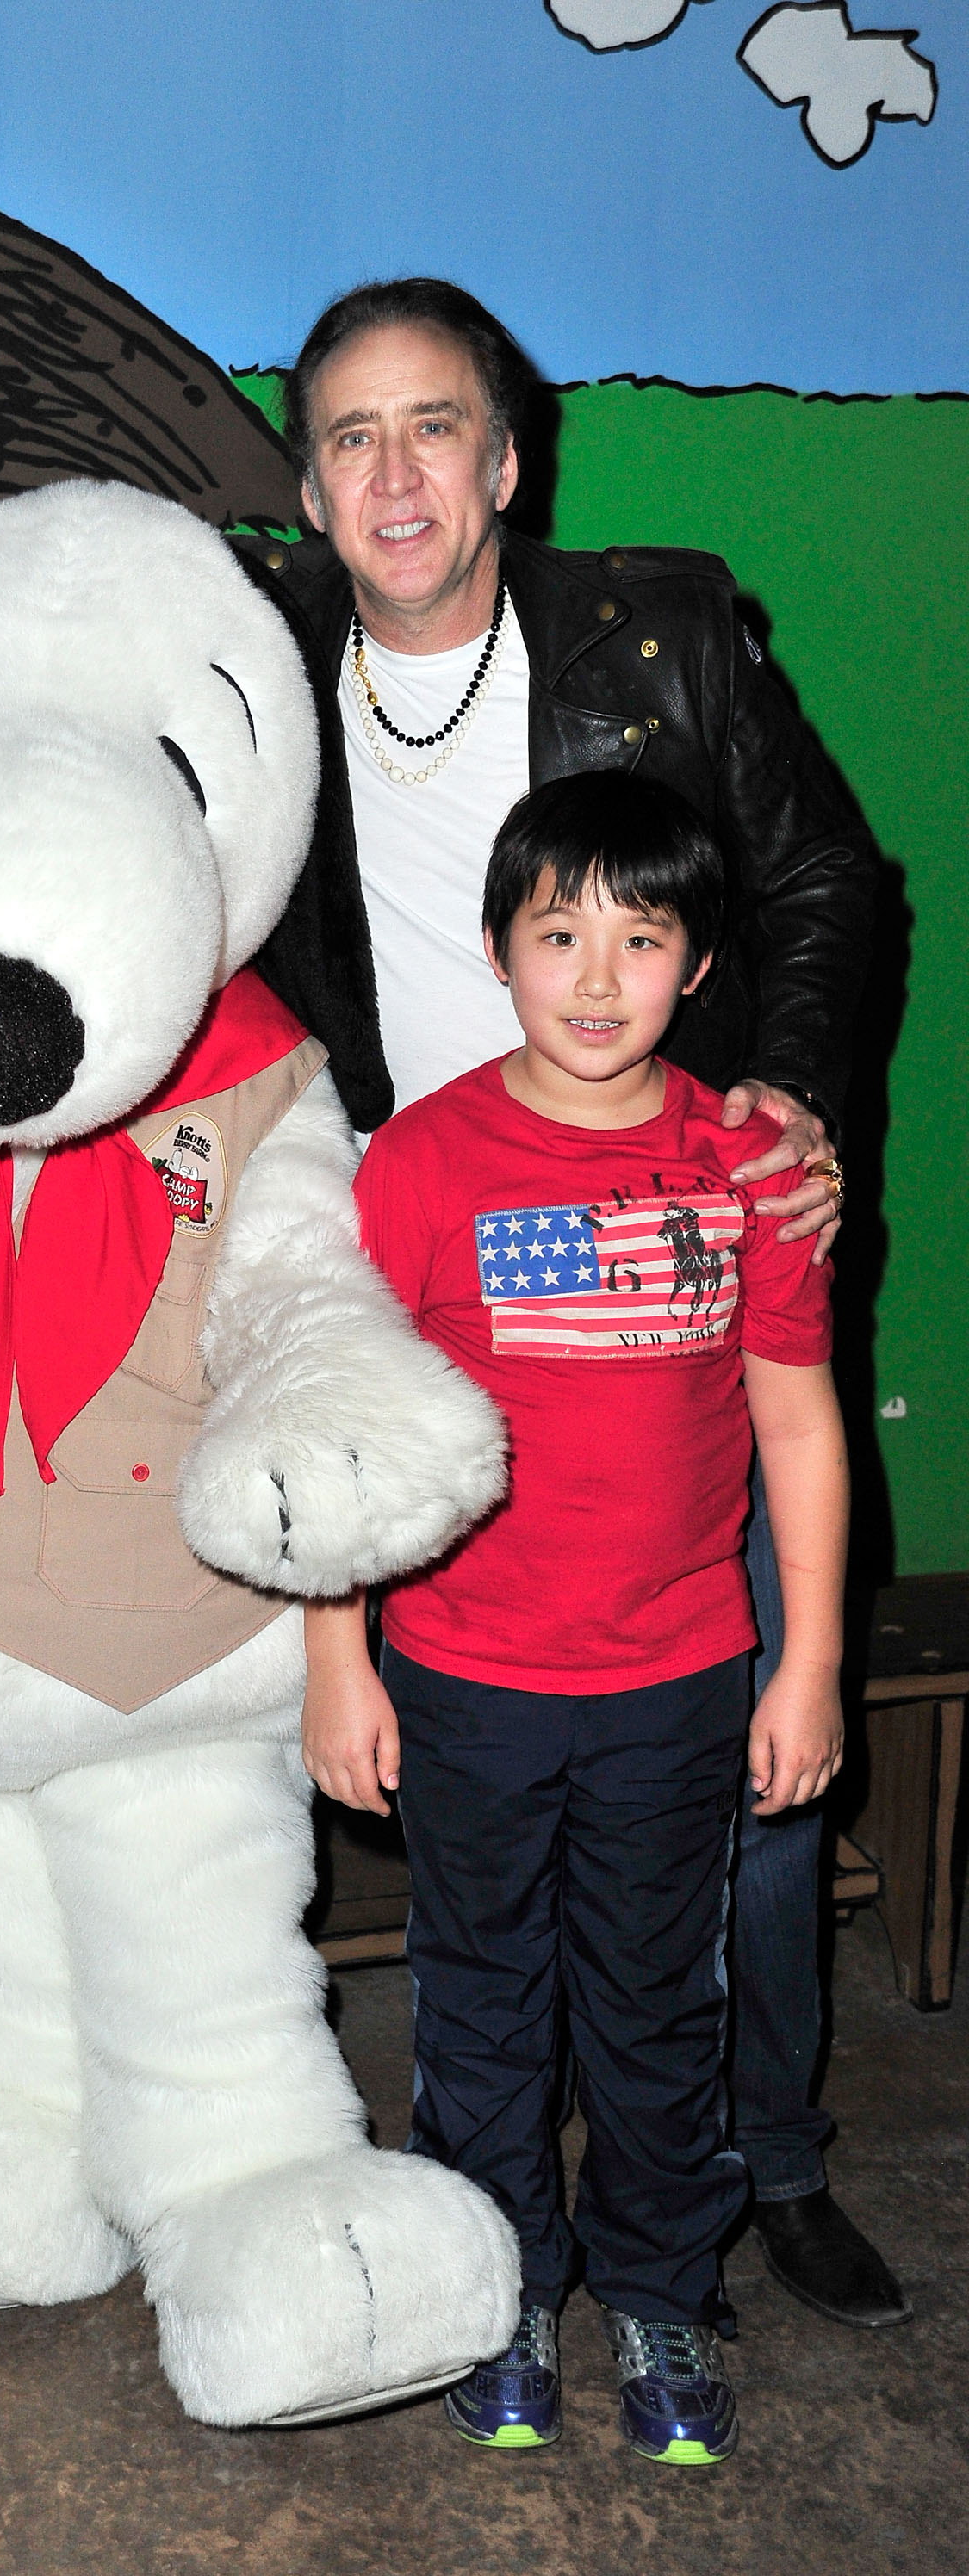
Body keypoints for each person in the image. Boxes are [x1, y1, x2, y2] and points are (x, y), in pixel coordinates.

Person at [246, 277, 907, 2335]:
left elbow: (830, 884)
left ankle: (755, 2163)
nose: (393, 472)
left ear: (507, 458)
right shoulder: (250, 667)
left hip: (680, 1262)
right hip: (422, 1278)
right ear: (306, 485)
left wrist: (777, 1080)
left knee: (742, 1777)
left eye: (431, 426)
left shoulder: (660, 638)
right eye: (348, 435)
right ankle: (492, 2235)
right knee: (487, 1830)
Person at [305, 770, 849, 2459]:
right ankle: (500, 2290)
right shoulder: (420, 1158)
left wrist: (807, 1658)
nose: (597, 976)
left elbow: (796, 1420)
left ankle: (663, 2297)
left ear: (696, 967)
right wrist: (336, 1660)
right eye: (559, 935)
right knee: (477, 2005)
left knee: (651, 2007)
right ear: (496, 950)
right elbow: (346, 1422)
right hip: (462, 1679)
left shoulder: (748, 1160)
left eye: (641, 936)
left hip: (678, 1677)